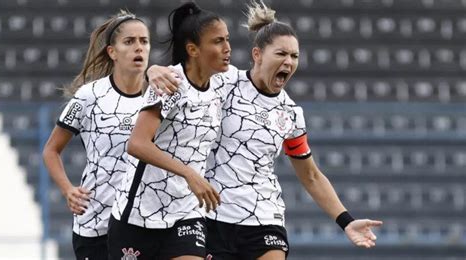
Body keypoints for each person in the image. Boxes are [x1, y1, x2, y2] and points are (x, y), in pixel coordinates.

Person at [146, 1, 383, 259]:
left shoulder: (291, 114)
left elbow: (311, 175)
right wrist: (153, 70)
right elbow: (183, 76)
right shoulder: (224, 82)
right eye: (281, 54)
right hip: (212, 215)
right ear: (257, 54)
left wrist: (346, 221)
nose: (289, 62)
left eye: (294, 56)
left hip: (264, 216)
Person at [107, 2, 231, 259]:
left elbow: (258, 76)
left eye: (227, 39)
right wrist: (190, 174)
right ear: (193, 49)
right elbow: (137, 144)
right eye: (218, 41)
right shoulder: (170, 83)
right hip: (139, 215)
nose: (227, 48)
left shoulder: (222, 82)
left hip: (187, 214)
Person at [42, 10, 150, 260]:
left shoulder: (157, 97)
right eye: (129, 41)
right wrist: (68, 189)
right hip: (96, 223)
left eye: (144, 41)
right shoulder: (89, 96)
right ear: (112, 52)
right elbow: (51, 150)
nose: (139, 48)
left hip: (143, 223)